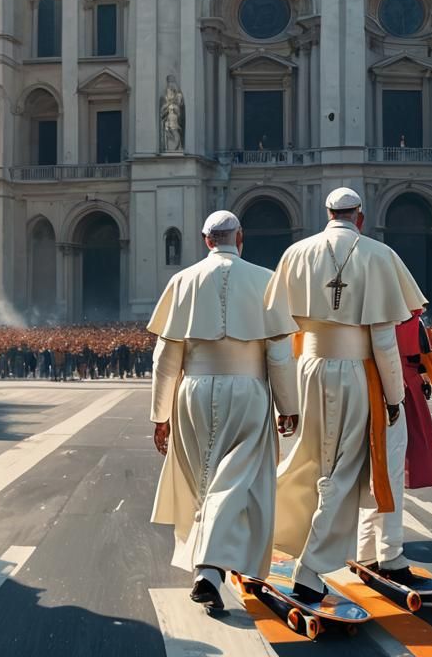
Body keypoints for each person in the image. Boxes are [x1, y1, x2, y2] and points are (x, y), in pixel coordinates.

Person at [268, 188, 419, 604]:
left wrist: (284, 397)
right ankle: (310, 569)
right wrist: (393, 398)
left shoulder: (296, 253)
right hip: (355, 373)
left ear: (329, 213)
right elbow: (385, 342)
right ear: (360, 218)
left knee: (308, 460)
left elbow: (280, 332)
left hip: (307, 369)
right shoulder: (377, 255)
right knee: (343, 470)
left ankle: (263, 528)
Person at [148, 210, 299, 611]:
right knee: (235, 482)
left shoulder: (181, 281)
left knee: (205, 482)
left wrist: (159, 415)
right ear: (241, 237)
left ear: (205, 239)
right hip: (249, 390)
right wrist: (289, 405)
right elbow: (280, 355)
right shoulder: (267, 280)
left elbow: (166, 357)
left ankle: (208, 566)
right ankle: (211, 568)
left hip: (193, 391)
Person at [355, 312, 432, 588]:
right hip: (392, 389)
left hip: (353, 384)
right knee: (390, 473)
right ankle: (390, 556)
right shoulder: (409, 321)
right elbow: (428, 368)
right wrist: (395, 399)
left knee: (371, 474)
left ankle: (366, 552)